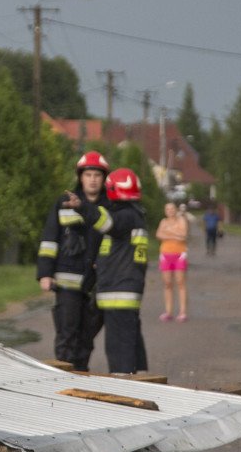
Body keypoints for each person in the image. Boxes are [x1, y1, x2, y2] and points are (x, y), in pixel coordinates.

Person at [67, 167, 148, 374]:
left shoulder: (125, 216)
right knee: (130, 346)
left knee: (119, 352)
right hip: (123, 293)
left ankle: (124, 392)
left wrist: (83, 207)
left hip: (117, 294)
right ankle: (138, 380)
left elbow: (107, 222)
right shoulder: (135, 215)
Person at [36, 150, 110, 370]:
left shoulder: (110, 207)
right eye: (88, 175)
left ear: (104, 178)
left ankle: (81, 377)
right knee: (67, 335)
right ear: (80, 177)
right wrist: (45, 273)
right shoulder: (65, 202)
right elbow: (50, 238)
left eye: (97, 175)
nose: (93, 179)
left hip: (96, 283)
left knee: (86, 338)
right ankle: (62, 382)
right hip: (67, 282)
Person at [155, 201, 190, 321]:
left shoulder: (181, 220)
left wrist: (168, 232)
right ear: (165, 211)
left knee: (180, 282)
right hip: (165, 254)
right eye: (167, 209)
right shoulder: (163, 222)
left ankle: (182, 312)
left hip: (179, 254)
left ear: (175, 210)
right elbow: (159, 234)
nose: (170, 211)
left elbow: (183, 235)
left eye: (172, 209)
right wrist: (175, 234)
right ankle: (168, 311)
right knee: (167, 283)